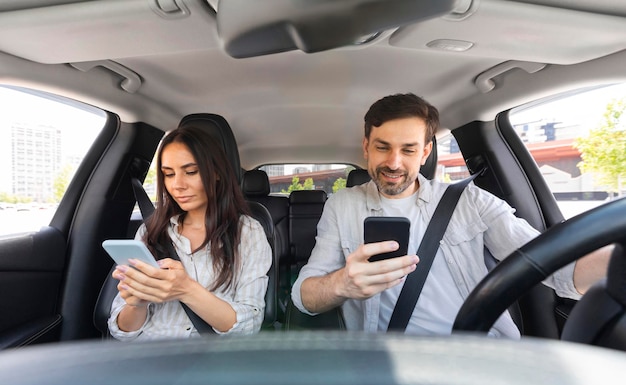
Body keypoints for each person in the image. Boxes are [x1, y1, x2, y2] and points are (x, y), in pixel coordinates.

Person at [291, 93, 612, 338]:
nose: (394, 162)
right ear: (365, 147)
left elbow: (552, 262)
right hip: (388, 361)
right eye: (382, 147)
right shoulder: (342, 205)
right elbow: (303, 294)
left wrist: (617, 259)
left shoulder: (469, 200)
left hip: (474, 355)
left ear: (426, 151)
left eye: (408, 149)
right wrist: (342, 284)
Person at [108, 126, 272, 340]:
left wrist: (185, 289)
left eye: (191, 172)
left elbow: (249, 326)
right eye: (168, 174)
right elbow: (122, 332)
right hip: (148, 359)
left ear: (216, 173)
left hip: (209, 360)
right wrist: (136, 304)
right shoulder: (150, 232)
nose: (177, 185)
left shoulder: (247, 232)